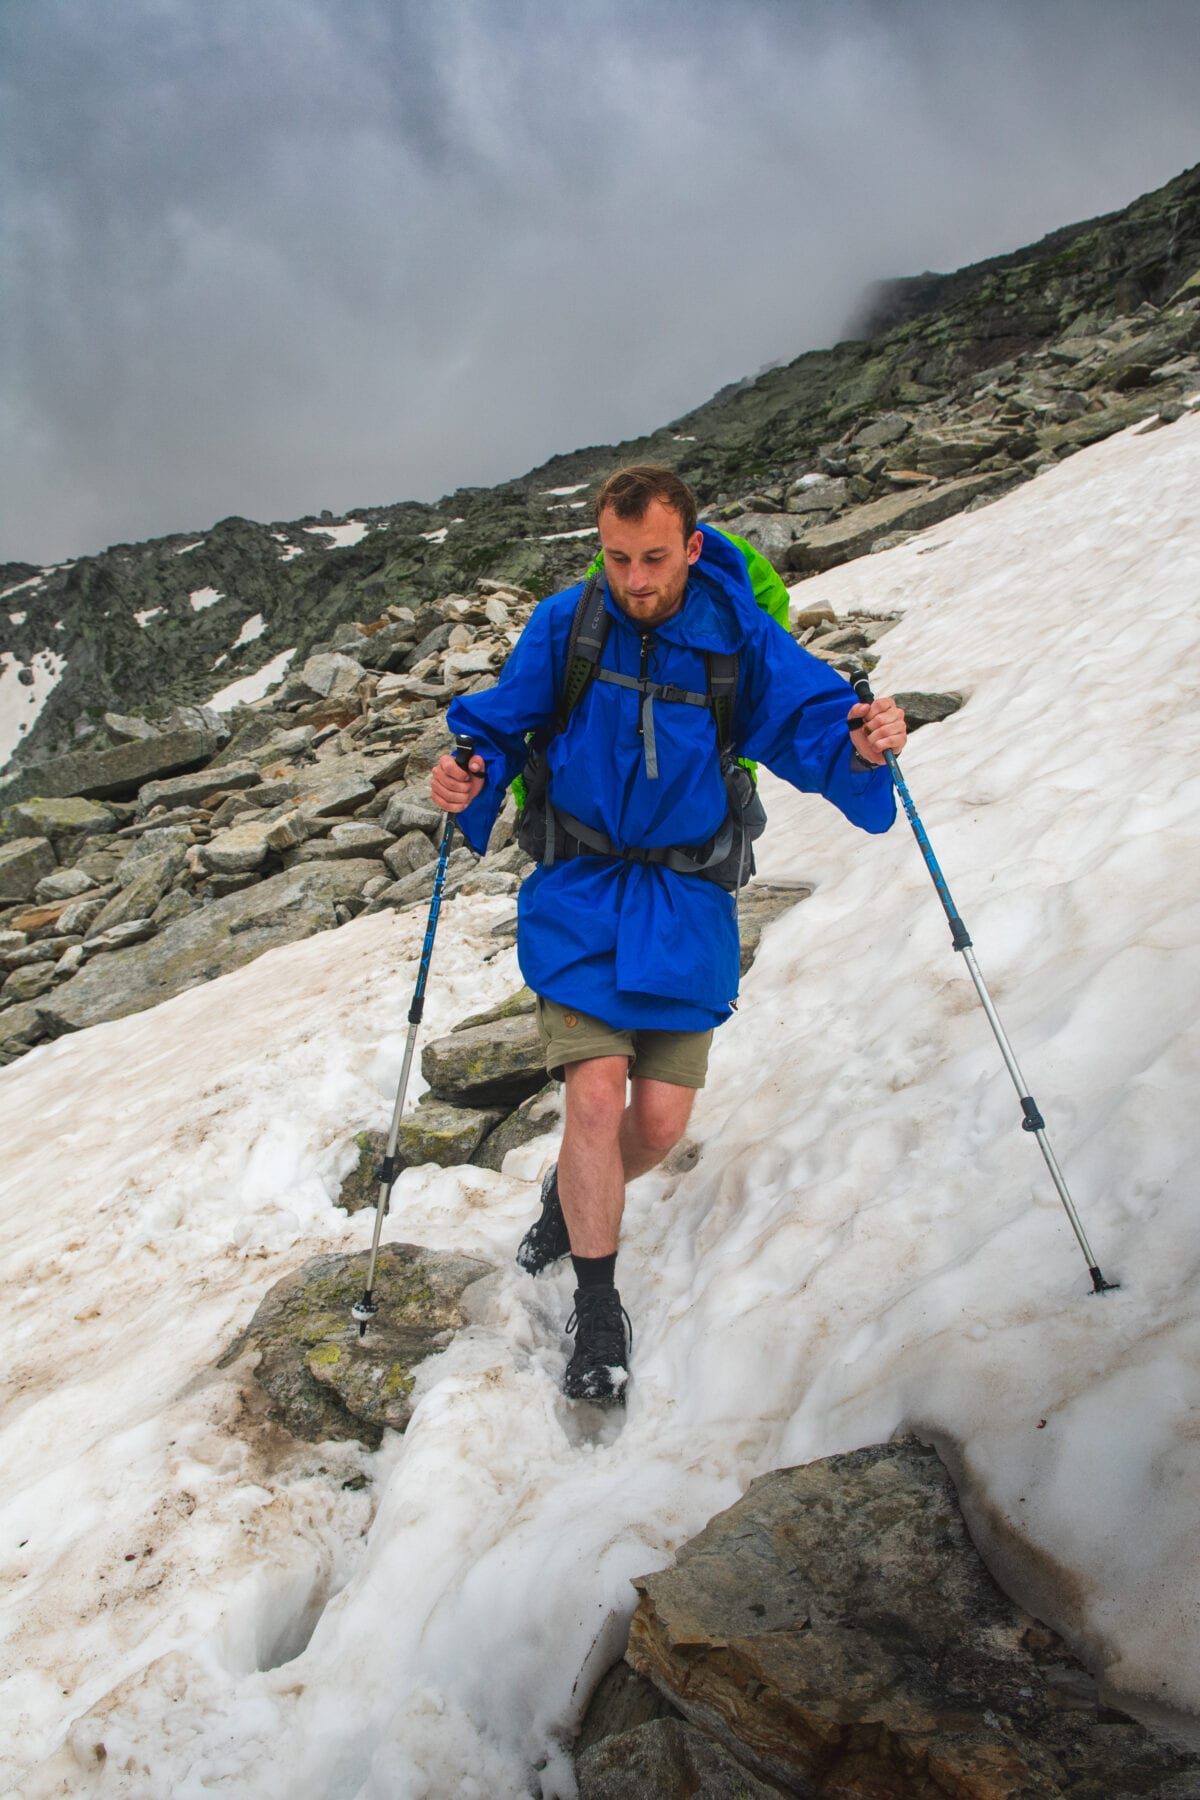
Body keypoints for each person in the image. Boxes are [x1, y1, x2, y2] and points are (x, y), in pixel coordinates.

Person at [431, 465, 906, 1405]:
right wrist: (468, 774)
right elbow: (500, 727)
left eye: (653, 558)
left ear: (691, 546)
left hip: (687, 908)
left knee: (656, 1125)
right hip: (579, 893)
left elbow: (813, 719)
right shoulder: (567, 626)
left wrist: (861, 740)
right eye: (617, 558)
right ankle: (598, 1315)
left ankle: (566, 1200)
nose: (636, 579)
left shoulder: (738, 637)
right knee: (597, 1103)